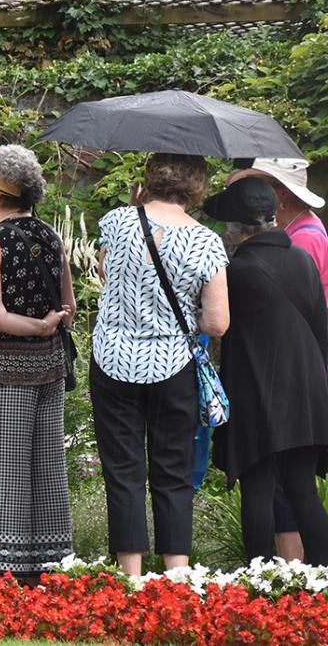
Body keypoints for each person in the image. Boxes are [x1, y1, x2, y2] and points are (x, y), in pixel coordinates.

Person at [91, 153, 229, 577]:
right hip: (172, 366)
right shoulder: (206, 241)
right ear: (197, 185)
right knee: (172, 471)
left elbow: (104, 269)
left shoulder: (116, 222)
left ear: (150, 177)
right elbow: (217, 322)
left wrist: (134, 207)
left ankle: (131, 576)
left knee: (123, 469)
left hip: (112, 361)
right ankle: (176, 577)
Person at [0, 145, 75, 580]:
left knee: (2, 470)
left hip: (4, 368)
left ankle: (4, 576)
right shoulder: (50, 236)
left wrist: (36, 327)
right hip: (51, 368)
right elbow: (69, 306)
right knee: (46, 469)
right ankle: (51, 570)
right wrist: (48, 326)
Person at [202, 177, 328, 565]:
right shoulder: (302, 259)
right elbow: (320, 328)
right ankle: (322, 573)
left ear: (236, 230)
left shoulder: (237, 271)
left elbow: (214, 324)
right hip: (307, 390)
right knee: (302, 487)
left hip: (257, 390)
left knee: (257, 486)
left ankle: (256, 577)